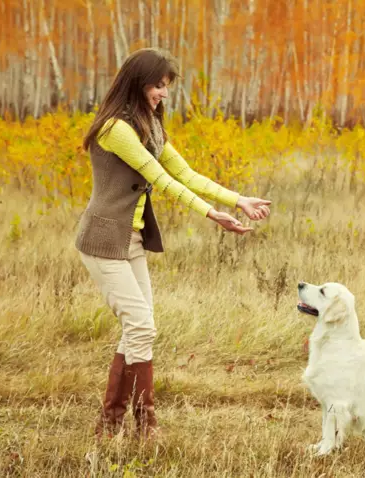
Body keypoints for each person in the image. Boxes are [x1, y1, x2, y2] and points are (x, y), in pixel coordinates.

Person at [76, 47, 271, 440]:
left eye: (167, 87)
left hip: (130, 240)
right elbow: (159, 178)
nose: (164, 94)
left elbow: (185, 173)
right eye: (159, 85)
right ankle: (143, 425)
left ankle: (113, 424)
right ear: (138, 82)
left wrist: (237, 200)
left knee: (137, 328)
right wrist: (210, 213)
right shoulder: (116, 129)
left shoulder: (149, 127)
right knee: (142, 326)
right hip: (102, 240)